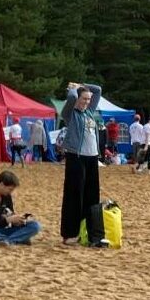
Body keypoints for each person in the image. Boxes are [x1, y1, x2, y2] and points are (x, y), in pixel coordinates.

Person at [59, 82, 103, 246]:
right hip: (76, 157)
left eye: (88, 99)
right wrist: (73, 88)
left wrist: (83, 84)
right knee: (74, 195)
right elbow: (71, 97)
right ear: (78, 99)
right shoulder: (70, 113)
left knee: (92, 196)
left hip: (92, 158)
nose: (87, 101)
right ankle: (70, 233)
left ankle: (92, 233)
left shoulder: (90, 112)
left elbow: (98, 89)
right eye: (84, 98)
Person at [0, 171, 41, 245]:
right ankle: (16, 239)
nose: (11, 192)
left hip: (3, 230)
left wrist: (18, 220)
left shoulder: (6, 196)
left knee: (35, 225)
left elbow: (10, 213)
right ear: (2, 184)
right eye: (10, 189)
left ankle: (8, 241)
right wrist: (7, 220)